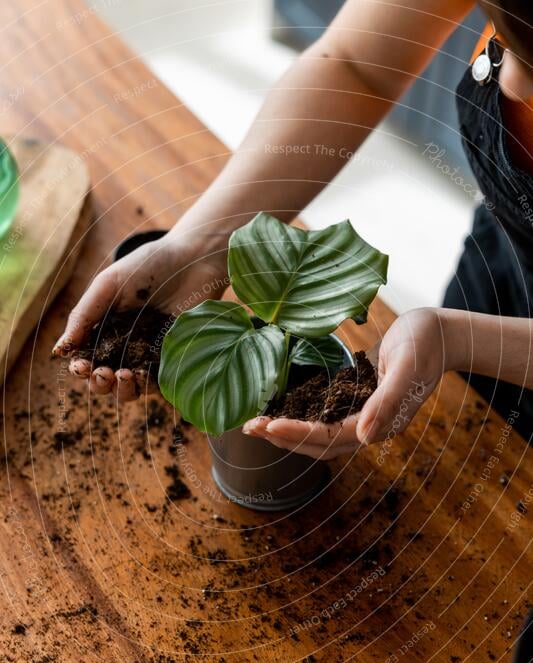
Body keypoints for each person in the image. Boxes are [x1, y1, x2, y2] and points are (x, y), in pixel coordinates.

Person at [53, 0, 533, 456]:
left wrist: (459, 340)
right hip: (503, 269)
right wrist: (202, 245)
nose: (511, 81)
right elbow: (355, 64)